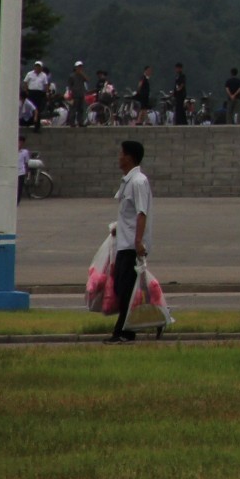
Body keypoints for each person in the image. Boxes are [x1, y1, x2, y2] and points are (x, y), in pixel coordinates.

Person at [108, 140, 152, 344]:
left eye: (121, 153)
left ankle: (124, 333)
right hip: (124, 243)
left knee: (125, 290)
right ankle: (124, 332)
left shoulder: (138, 182)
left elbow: (142, 213)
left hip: (131, 246)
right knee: (121, 288)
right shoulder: (127, 181)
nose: (119, 157)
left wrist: (138, 241)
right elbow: (129, 213)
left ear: (130, 158)